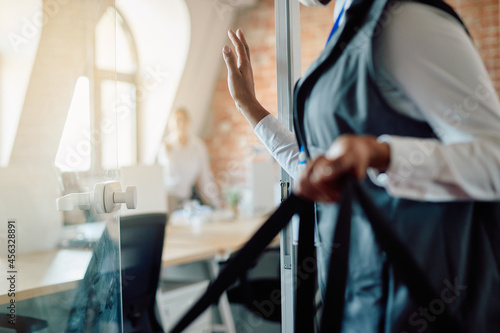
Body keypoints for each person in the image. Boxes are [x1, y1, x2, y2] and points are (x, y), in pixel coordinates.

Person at [222, 0, 500, 331]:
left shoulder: (405, 19)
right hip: (362, 299)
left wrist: (384, 154)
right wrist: (249, 107)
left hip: (424, 301)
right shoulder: (349, 27)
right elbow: (323, 168)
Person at [157, 108, 221, 212]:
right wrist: (167, 155)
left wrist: (216, 203)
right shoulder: (166, 147)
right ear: (171, 124)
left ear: (189, 122)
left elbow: (205, 177)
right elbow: (167, 177)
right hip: (168, 201)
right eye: (178, 120)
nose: (181, 123)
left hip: (187, 201)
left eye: (184, 119)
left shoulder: (198, 146)